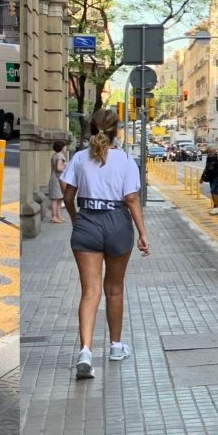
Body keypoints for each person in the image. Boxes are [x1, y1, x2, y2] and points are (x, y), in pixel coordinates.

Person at [60, 108, 150, 380]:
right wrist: (143, 233)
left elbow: (67, 197)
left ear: (90, 128)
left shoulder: (78, 158)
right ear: (117, 131)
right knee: (114, 290)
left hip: (87, 221)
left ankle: (85, 352)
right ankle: (115, 347)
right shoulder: (125, 160)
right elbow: (132, 199)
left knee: (90, 292)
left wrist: (77, 219)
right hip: (117, 224)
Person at [200, 147, 218, 215]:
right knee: (215, 192)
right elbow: (206, 168)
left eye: (209, 152)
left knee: (213, 191)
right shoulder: (208, 158)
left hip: (217, 177)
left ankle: (216, 207)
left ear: (213, 151)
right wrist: (202, 177)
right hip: (210, 177)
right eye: (207, 153)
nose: (208, 154)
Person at [48, 140, 68, 224]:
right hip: (57, 179)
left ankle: (58, 216)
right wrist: (66, 166)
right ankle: (54, 217)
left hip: (55, 178)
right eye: (64, 146)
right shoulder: (60, 156)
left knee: (59, 198)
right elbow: (59, 168)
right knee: (56, 199)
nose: (65, 147)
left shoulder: (55, 155)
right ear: (61, 147)